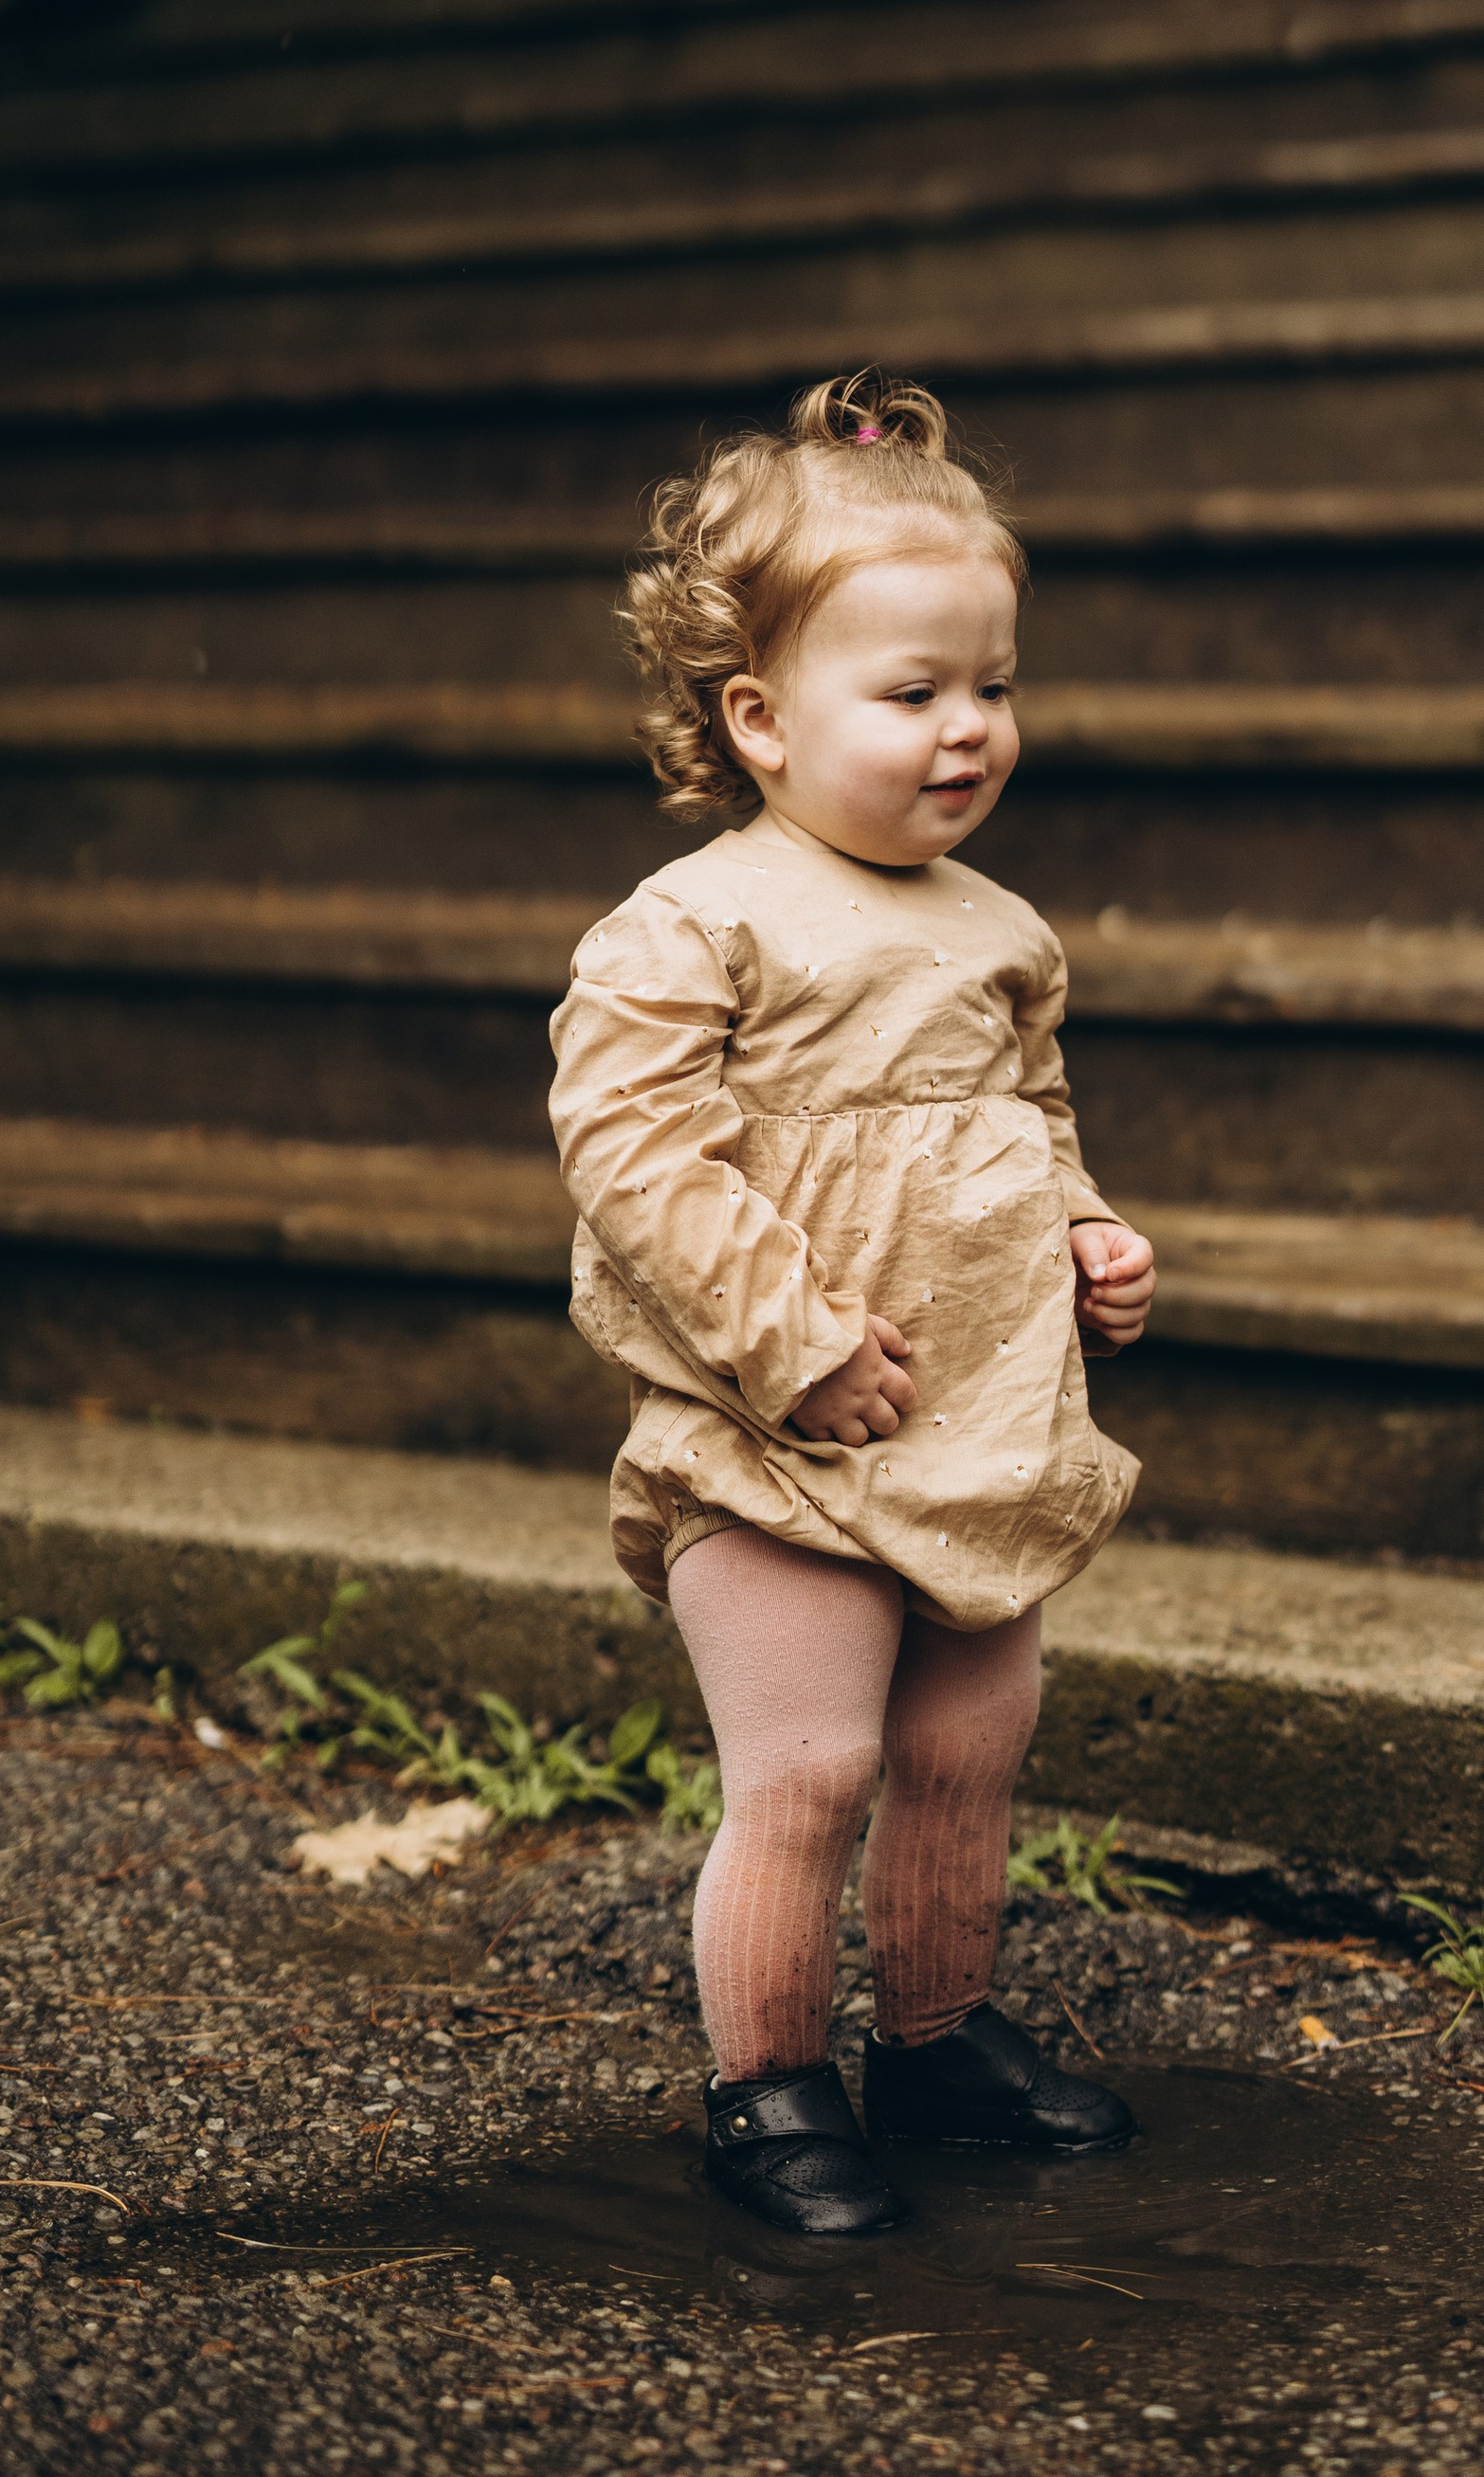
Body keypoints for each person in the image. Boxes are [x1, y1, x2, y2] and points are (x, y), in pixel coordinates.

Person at [549, 371, 1157, 2235]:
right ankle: (769, 2088)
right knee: (809, 1771)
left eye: (993, 686)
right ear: (760, 717)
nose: (967, 729)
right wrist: (791, 1342)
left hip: (976, 1420)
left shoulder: (1000, 930)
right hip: (776, 1435)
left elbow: (1025, 1118)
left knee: (964, 1754)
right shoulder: (697, 924)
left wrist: (1085, 1234)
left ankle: (938, 2039)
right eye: (911, 694)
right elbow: (629, 1150)